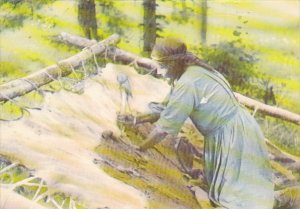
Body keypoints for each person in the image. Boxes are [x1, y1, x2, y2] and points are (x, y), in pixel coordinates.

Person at [119, 38, 275, 209]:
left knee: (236, 197)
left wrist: (139, 148)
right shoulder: (191, 72)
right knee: (240, 188)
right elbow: (165, 109)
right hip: (238, 127)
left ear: (172, 64)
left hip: (233, 136)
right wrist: (136, 120)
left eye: (160, 66)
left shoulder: (188, 83)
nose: (157, 71)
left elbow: (163, 129)